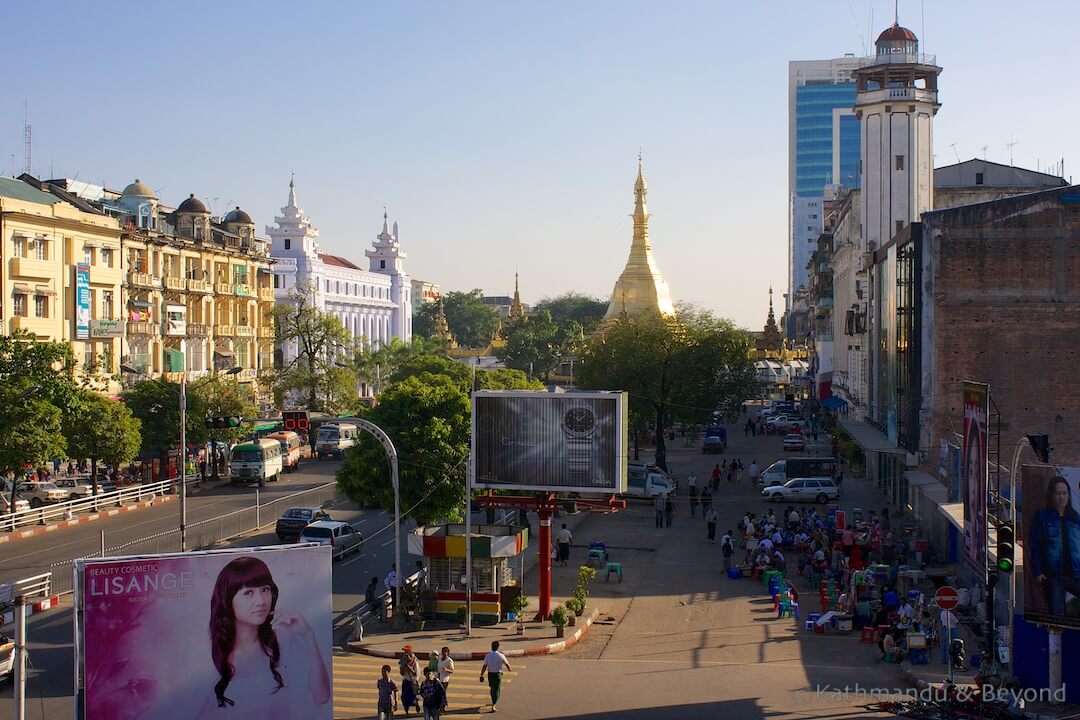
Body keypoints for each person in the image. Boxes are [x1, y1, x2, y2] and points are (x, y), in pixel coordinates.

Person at [203, 556, 331, 715]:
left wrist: (308, 635)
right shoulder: (209, 657)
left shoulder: (285, 640)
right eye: (248, 592)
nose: (261, 601)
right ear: (227, 600)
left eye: (265, 589)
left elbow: (322, 696)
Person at [1029, 475, 1080, 617]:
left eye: (1064, 493)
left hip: (1075, 574)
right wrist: (1038, 572)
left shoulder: (1074, 517)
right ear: (1052, 495)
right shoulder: (1042, 515)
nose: (1062, 497)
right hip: (1054, 575)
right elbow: (1035, 545)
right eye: (1058, 493)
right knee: (1057, 617)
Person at [480, 640, 513, 713]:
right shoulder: (501, 655)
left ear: (491, 647)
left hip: (490, 675)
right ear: (498, 647)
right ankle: (494, 704)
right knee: (497, 690)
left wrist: (481, 674)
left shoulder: (488, 655)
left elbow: (484, 666)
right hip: (497, 675)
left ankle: (493, 701)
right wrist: (509, 669)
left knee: (492, 688)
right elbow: (507, 664)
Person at [399, 645, 421, 716]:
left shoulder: (415, 662)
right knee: (404, 697)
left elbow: (416, 674)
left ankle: (416, 704)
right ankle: (406, 711)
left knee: (413, 698)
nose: (405, 654)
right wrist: (404, 667)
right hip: (405, 682)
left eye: (406, 652)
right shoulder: (402, 661)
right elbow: (402, 673)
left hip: (412, 682)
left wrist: (409, 668)